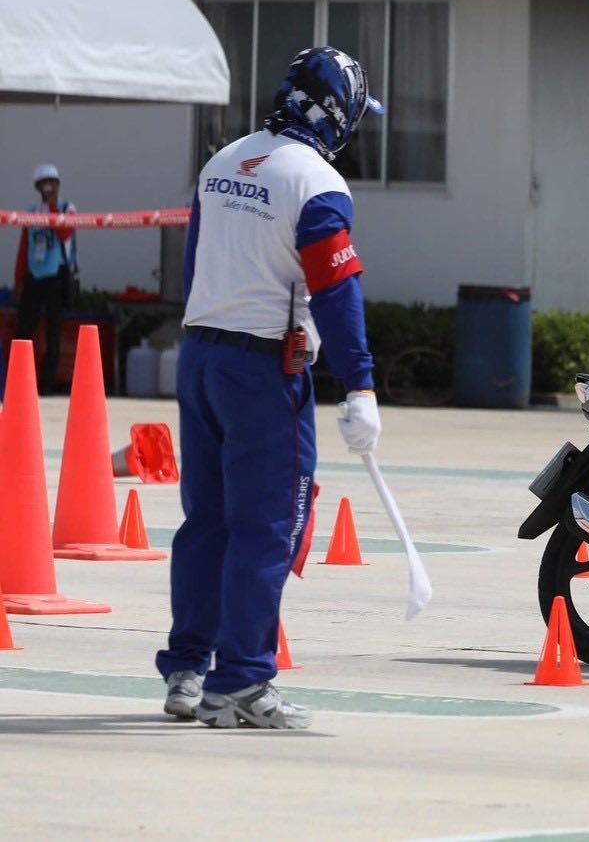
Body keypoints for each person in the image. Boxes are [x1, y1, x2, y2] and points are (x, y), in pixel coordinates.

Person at [156, 47, 384, 729]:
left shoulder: (222, 162)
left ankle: (188, 668)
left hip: (201, 356)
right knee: (268, 528)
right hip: (261, 371)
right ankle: (242, 684)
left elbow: (196, 267)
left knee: (206, 522)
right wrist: (360, 384)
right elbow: (336, 289)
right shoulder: (316, 182)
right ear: (336, 115)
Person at [12, 164, 78, 394]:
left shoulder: (68, 209)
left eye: (53, 183)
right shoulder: (31, 213)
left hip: (57, 276)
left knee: (54, 331)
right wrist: (19, 280)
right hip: (34, 276)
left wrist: (53, 207)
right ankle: (19, 381)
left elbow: (66, 234)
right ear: (38, 187)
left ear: (58, 185)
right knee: (24, 329)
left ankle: (46, 385)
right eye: (44, 184)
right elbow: (24, 248)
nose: (49, 188)